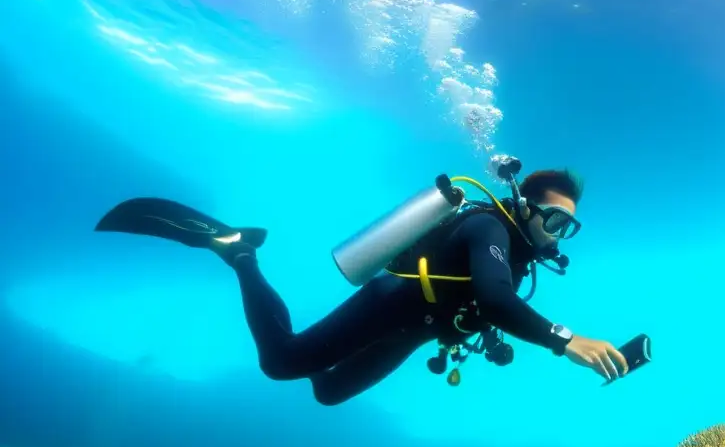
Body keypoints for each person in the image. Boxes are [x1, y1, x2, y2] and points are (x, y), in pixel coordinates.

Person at [95, 167, 629, 405]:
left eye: (567, 228)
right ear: (524, 207)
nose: (558, 236)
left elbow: (488, 306)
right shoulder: (490, 226)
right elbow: (492, 299)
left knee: (328, 391)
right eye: (555, 221)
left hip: (414, 331)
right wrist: (565, 339)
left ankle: (249, 265)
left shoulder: (515, 255)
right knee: (282, 363)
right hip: (392, 305)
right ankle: (240, 253)